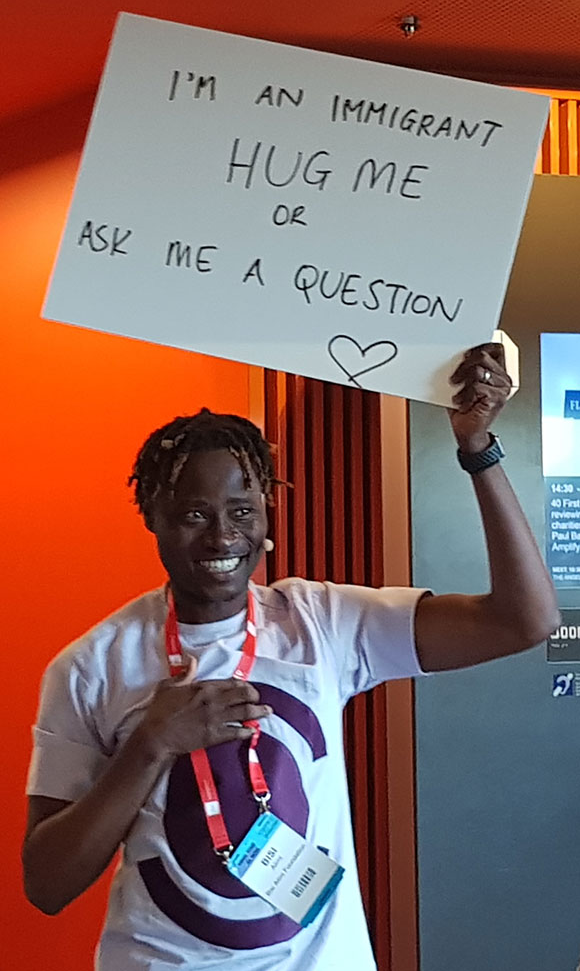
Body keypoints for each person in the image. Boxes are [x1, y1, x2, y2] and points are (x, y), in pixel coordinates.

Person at [23, 343, 559, 971]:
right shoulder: (91, 666)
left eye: (242, 511)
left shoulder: (320, 621)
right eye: (194, 515)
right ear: (153, 518)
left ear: (267, 515)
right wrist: (149, 745)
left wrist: (478, 450)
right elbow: (48, 884)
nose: (223, 536)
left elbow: (525, 620)